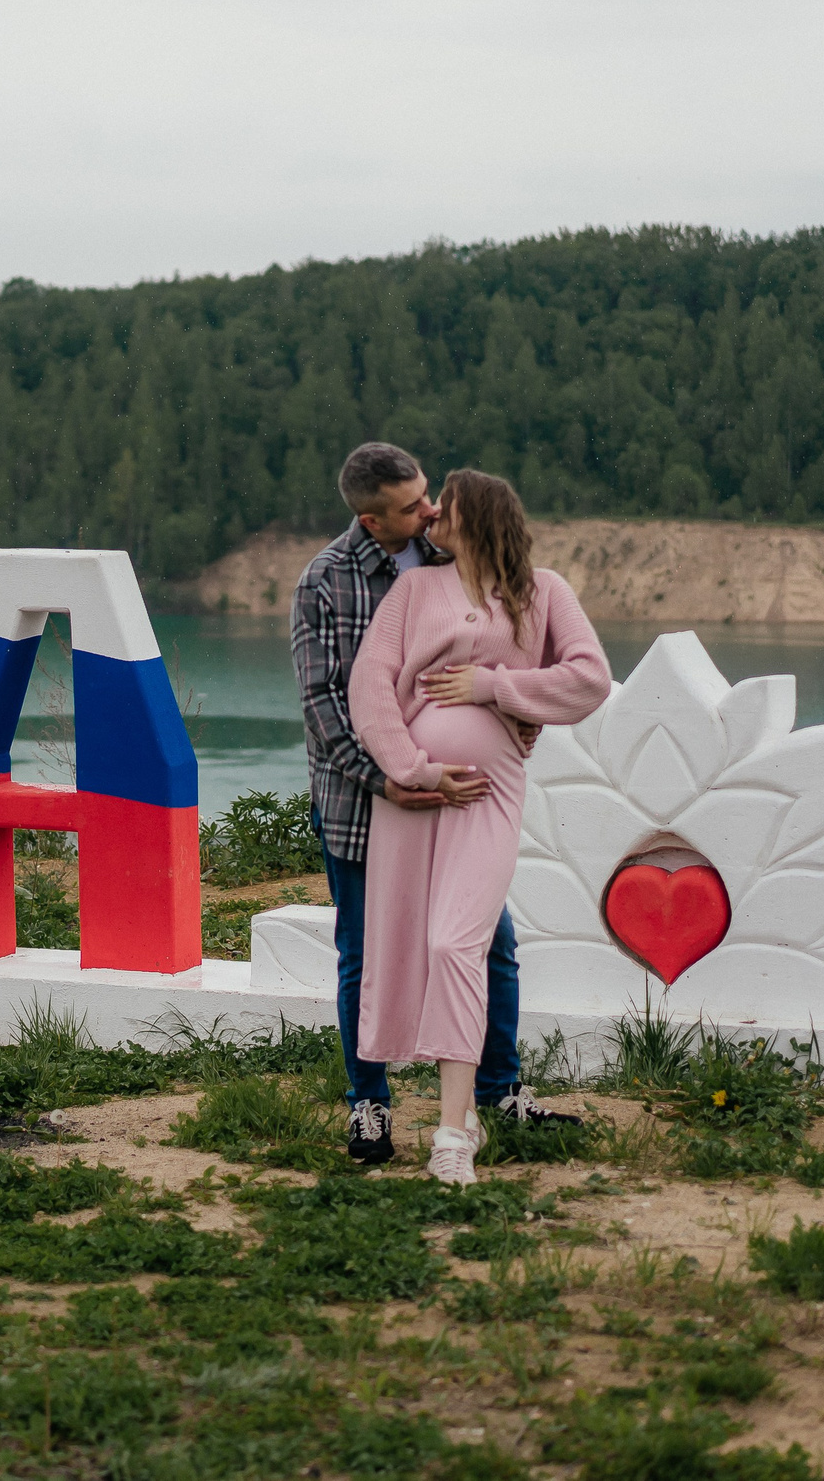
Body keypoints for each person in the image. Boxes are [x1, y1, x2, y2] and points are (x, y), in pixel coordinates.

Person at [291, 444, 579, 1166]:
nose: (429, 511)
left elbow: (508, 647)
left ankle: (496, 1089)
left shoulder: (441, 558)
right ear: (370, 515)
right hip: (368, 798)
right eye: (414, 504)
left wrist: (516, 707)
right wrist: (397, 778)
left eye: (431, 496)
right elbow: (327, 705)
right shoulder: (327, 580)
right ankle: (370, 1105)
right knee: (365, 950)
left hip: (467, 802)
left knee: (490, 943)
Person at [350, 468, 611, 1186]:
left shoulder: (543, 592)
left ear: (482, 514)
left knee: (455, 940)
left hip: (489, 796)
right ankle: (460, 1118)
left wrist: (495, 686)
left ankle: (451, 1135)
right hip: (417, 801)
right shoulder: (414, 591)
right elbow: (370, 684)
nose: (434, 512)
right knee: (411, 945)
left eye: (448, 503)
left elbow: (589, 677)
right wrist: (414, 769)